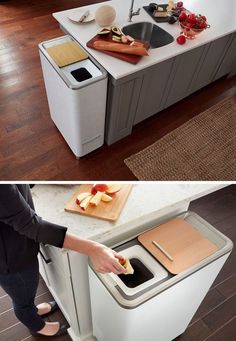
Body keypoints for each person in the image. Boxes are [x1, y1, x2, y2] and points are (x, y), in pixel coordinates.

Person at [0, 185, 126, 337]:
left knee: (27, 290)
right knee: (22, 299)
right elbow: (30, 225)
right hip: (10, 260)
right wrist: (93, 249)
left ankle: (32, 310)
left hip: (17, 246)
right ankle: (36, 326)